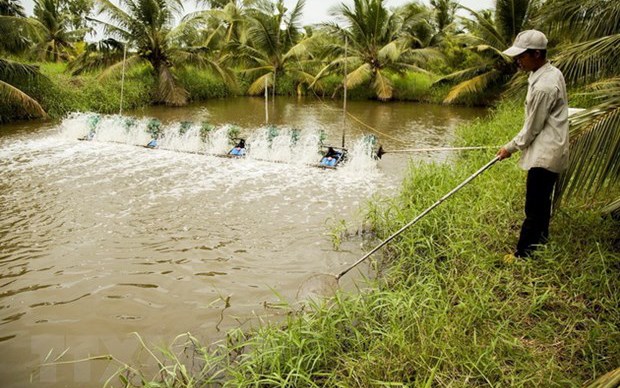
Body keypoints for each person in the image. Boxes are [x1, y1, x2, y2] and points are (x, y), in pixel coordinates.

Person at [497, 30, 569, 259]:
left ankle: (523, 254)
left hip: (545, 153)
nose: (517, 60)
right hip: (550, 147)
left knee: (534, 206)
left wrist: (509, 148)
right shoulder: (549, 72)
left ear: (536, 54)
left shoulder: (544, 86)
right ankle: (541, 241)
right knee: (542, 201)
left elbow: (531, 129)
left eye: (521, 56)